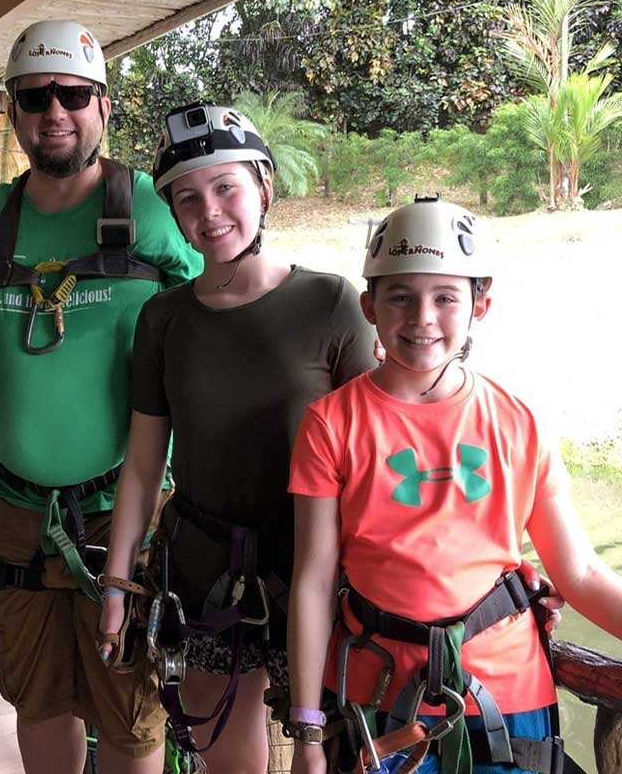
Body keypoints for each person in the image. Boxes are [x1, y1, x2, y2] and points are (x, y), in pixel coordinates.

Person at [0, 20, 202, 774]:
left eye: (73, 93)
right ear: (13, 112)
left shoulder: (149, 210)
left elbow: (222, 302)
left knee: (128, 709)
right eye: (35, 96)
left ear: (103, 107)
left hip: (125, 509)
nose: (56, 110)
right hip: (16, 514)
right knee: (38, 697)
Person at [287, 197, 622, 774]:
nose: (422, 318)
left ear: (480, 305)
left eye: (446, 297)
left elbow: (581, 572)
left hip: (506, 694)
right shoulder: (331, 423)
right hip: (378, 694)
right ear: (369, 305)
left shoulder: (517, 421)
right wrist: (307, 728)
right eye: (401, 296)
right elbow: (313, 581)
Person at [96, 102, 377, 774]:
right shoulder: (164, 319)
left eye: (226, 187)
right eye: (187, 198)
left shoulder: (331, 303)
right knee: (225, 751)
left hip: (318, 557)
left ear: (264, 189)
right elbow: (141, 465)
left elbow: (380, 447)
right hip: (204, 565)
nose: (209, 211)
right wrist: (115, 579)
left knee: (335, 745)